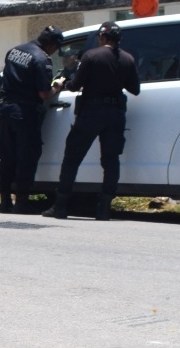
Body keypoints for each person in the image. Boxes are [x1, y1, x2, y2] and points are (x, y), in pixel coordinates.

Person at [47, 22, 141, 221]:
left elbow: (75, 85)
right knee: (110, 160)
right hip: (115, 113)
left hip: (91, 112)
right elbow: (135, 89)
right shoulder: (128, 59)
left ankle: (61, 206)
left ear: (102, 37)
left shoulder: (91, 56)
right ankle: (104, 209)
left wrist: (65, 83)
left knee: (72, 157)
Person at [0, 25, 63, 213]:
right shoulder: (42, 59)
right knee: (26, 156)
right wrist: (58, 86)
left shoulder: (14, 51)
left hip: (5, 110)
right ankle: (21, 201)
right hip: (25, 113)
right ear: (51, 45)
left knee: (7, 156)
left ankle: (4, 200)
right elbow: (43, 93)